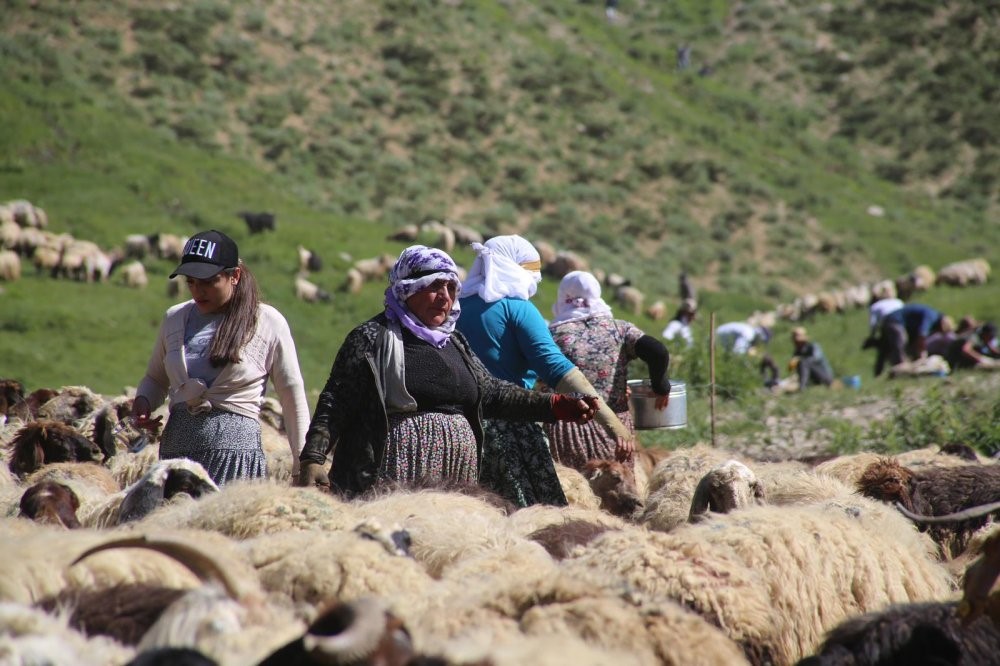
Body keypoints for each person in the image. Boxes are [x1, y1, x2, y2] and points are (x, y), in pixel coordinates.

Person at [296, 245, 598, 498]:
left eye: (451, 287)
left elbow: (491, 392)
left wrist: (555, 406)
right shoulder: (372, 338)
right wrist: (314, 458)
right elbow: (336, 401)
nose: (445, 296)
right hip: (392, 475)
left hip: (455, 478)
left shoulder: (454, 341)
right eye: (433, 287)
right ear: (406, 290)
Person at [456, 235, 632, 508]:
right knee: (533, 510)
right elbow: (558, 370)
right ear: (511, 268)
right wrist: (614, 426)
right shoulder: (517, 309)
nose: (535, 280)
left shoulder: (455, 308)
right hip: (508, 428)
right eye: (531, 272)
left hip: (460, 428)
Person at [131, 230, 311, 486]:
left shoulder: (266, 322)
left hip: (235, 461)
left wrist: (303, 461)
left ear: (234, 276)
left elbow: (291, 394)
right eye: (191, 282)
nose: (197, 290)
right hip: (176, 459)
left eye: (208, 281)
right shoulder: (175, 318)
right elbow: (155, 378)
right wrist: (144, 400)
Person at [544, 271, 671, 472]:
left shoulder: (551, 335)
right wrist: (661, 387)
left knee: (574, 494)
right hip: (614, 432)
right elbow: (658, 351)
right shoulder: (619, 329)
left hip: (568, 428)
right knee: (618, 493)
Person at [870, 302, 944, 377]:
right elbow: (922, 334)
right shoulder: (932, 315)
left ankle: (878, 374)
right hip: (895, 321)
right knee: (900, 343)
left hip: (890, 320)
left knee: (885, 348)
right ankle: (901, 370)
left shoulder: (930, 314)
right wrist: (922, 352)